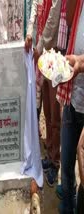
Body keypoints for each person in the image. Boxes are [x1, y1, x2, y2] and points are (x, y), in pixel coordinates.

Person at [25, 0, 62, 187]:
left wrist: (38, 46)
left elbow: (53, 21)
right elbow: (34, 8)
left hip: (56, 52)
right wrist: (30, 31)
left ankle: (55, 162)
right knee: (47, 111)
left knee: (56, 114)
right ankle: (49, 153)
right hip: (45, 51)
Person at [56, 0, 84, 212]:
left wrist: (80, 63)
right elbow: (69, 17)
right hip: (74, 97)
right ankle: (68, 204)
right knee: (66, 164)